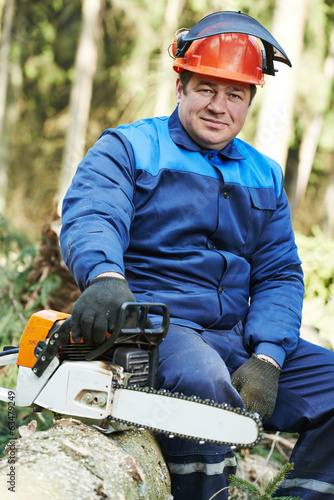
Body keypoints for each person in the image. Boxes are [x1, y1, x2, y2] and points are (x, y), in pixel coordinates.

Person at [60, 11, 334, 500]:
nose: (218, 106)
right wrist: (104, 275)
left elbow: (279, 274)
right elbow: (94, 213)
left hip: (236, 335)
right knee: (202, 382)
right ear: (182, 85)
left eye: (234, 94)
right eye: (207, 88)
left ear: (250, 99)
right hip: (156, 329)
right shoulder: (130, 148)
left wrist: (269, 357)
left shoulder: (264, 174)